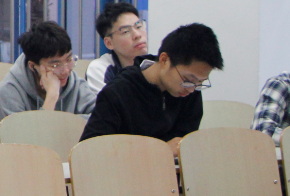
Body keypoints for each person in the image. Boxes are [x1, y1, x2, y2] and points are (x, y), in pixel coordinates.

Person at [82, 23, 225, 155]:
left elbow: (184, 143)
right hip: (125, 171)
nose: (192, 89)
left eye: (200, 83)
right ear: (164, 60)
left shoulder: (189, 92)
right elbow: (91, 151)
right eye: (188, 79)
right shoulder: (117, 93)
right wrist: (160, 150)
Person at [0, 22, 96, 131]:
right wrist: (52, 96)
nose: (66, 71)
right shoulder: (9, 91)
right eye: (55, 65)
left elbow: (100, 119)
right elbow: (27, 137)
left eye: (69, 60)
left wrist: (59, 124)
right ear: (33, 66)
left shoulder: (75, 83)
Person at [85, 2, 148, 94]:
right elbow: (107, 102)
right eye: (125, 31)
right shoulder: (100, 69)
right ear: (109, 43)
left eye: (138, 26)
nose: (137, 35)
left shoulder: (155, 65)